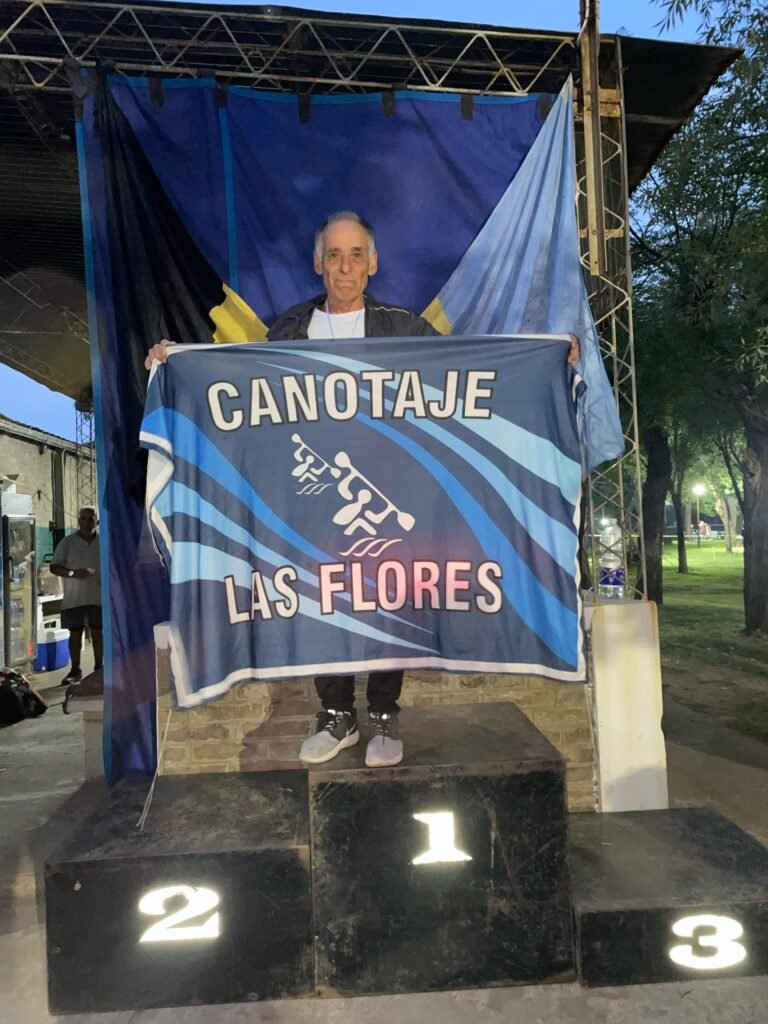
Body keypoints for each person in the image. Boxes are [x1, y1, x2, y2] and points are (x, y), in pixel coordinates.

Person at [145, 210, 580, 770]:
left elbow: (471, 374)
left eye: (355, 255)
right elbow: (236, 382)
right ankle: (336, 715)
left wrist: (546, 358)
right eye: (334, 255)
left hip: (395, 489)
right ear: (318, 263)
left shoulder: (404, 329)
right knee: (320, 597)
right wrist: (174, 365)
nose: (344, 267)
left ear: (372, 264)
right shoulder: (288, 333)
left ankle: (382, 714)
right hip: (311, 505)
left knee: (386, 598)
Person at [50, 507, 102, 685]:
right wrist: (72, 573)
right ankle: (75, 670)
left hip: (98, 597)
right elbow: (54, 566)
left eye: (91, 519)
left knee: (98, 634)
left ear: (96, 521)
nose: (87, 522)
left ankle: (99, 668)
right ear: (78, 521)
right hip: (74, 598)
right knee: (75, 635)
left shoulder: (103, 542)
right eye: (83, 519)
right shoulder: (68, 542)